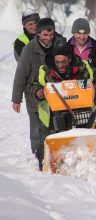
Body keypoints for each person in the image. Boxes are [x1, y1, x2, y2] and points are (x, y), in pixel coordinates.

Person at [11, 18, 65, 170]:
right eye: (45, 35)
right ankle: (38, 153)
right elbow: (20, 74)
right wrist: (16, 99)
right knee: (37, 125)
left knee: (55, 123)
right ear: (39, 34)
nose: (48, 38)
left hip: (55, 92)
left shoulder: (59, 44)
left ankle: (57, 154)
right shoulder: (29, 49)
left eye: (51, 35)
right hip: (34, 92)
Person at [32, 41, 94, 168]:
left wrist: (95, 89)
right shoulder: (45, 70)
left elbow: (94, 83)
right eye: (57, 62)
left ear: (70, 59)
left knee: (79, 142)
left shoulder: (82, 68)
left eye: (63, 62)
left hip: (79, 113)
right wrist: (39, 92)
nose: (60, 65)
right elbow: (34, 86)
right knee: (48, 146)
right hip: (51, 117)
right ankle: (47, 169)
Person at [68, 18, 96, 98]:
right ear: (73, 33)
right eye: (78, 33)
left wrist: (95, 90)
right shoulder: (66, 48)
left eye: (85, 33)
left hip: (90, 93)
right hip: (70, 92)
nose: (82, 37)